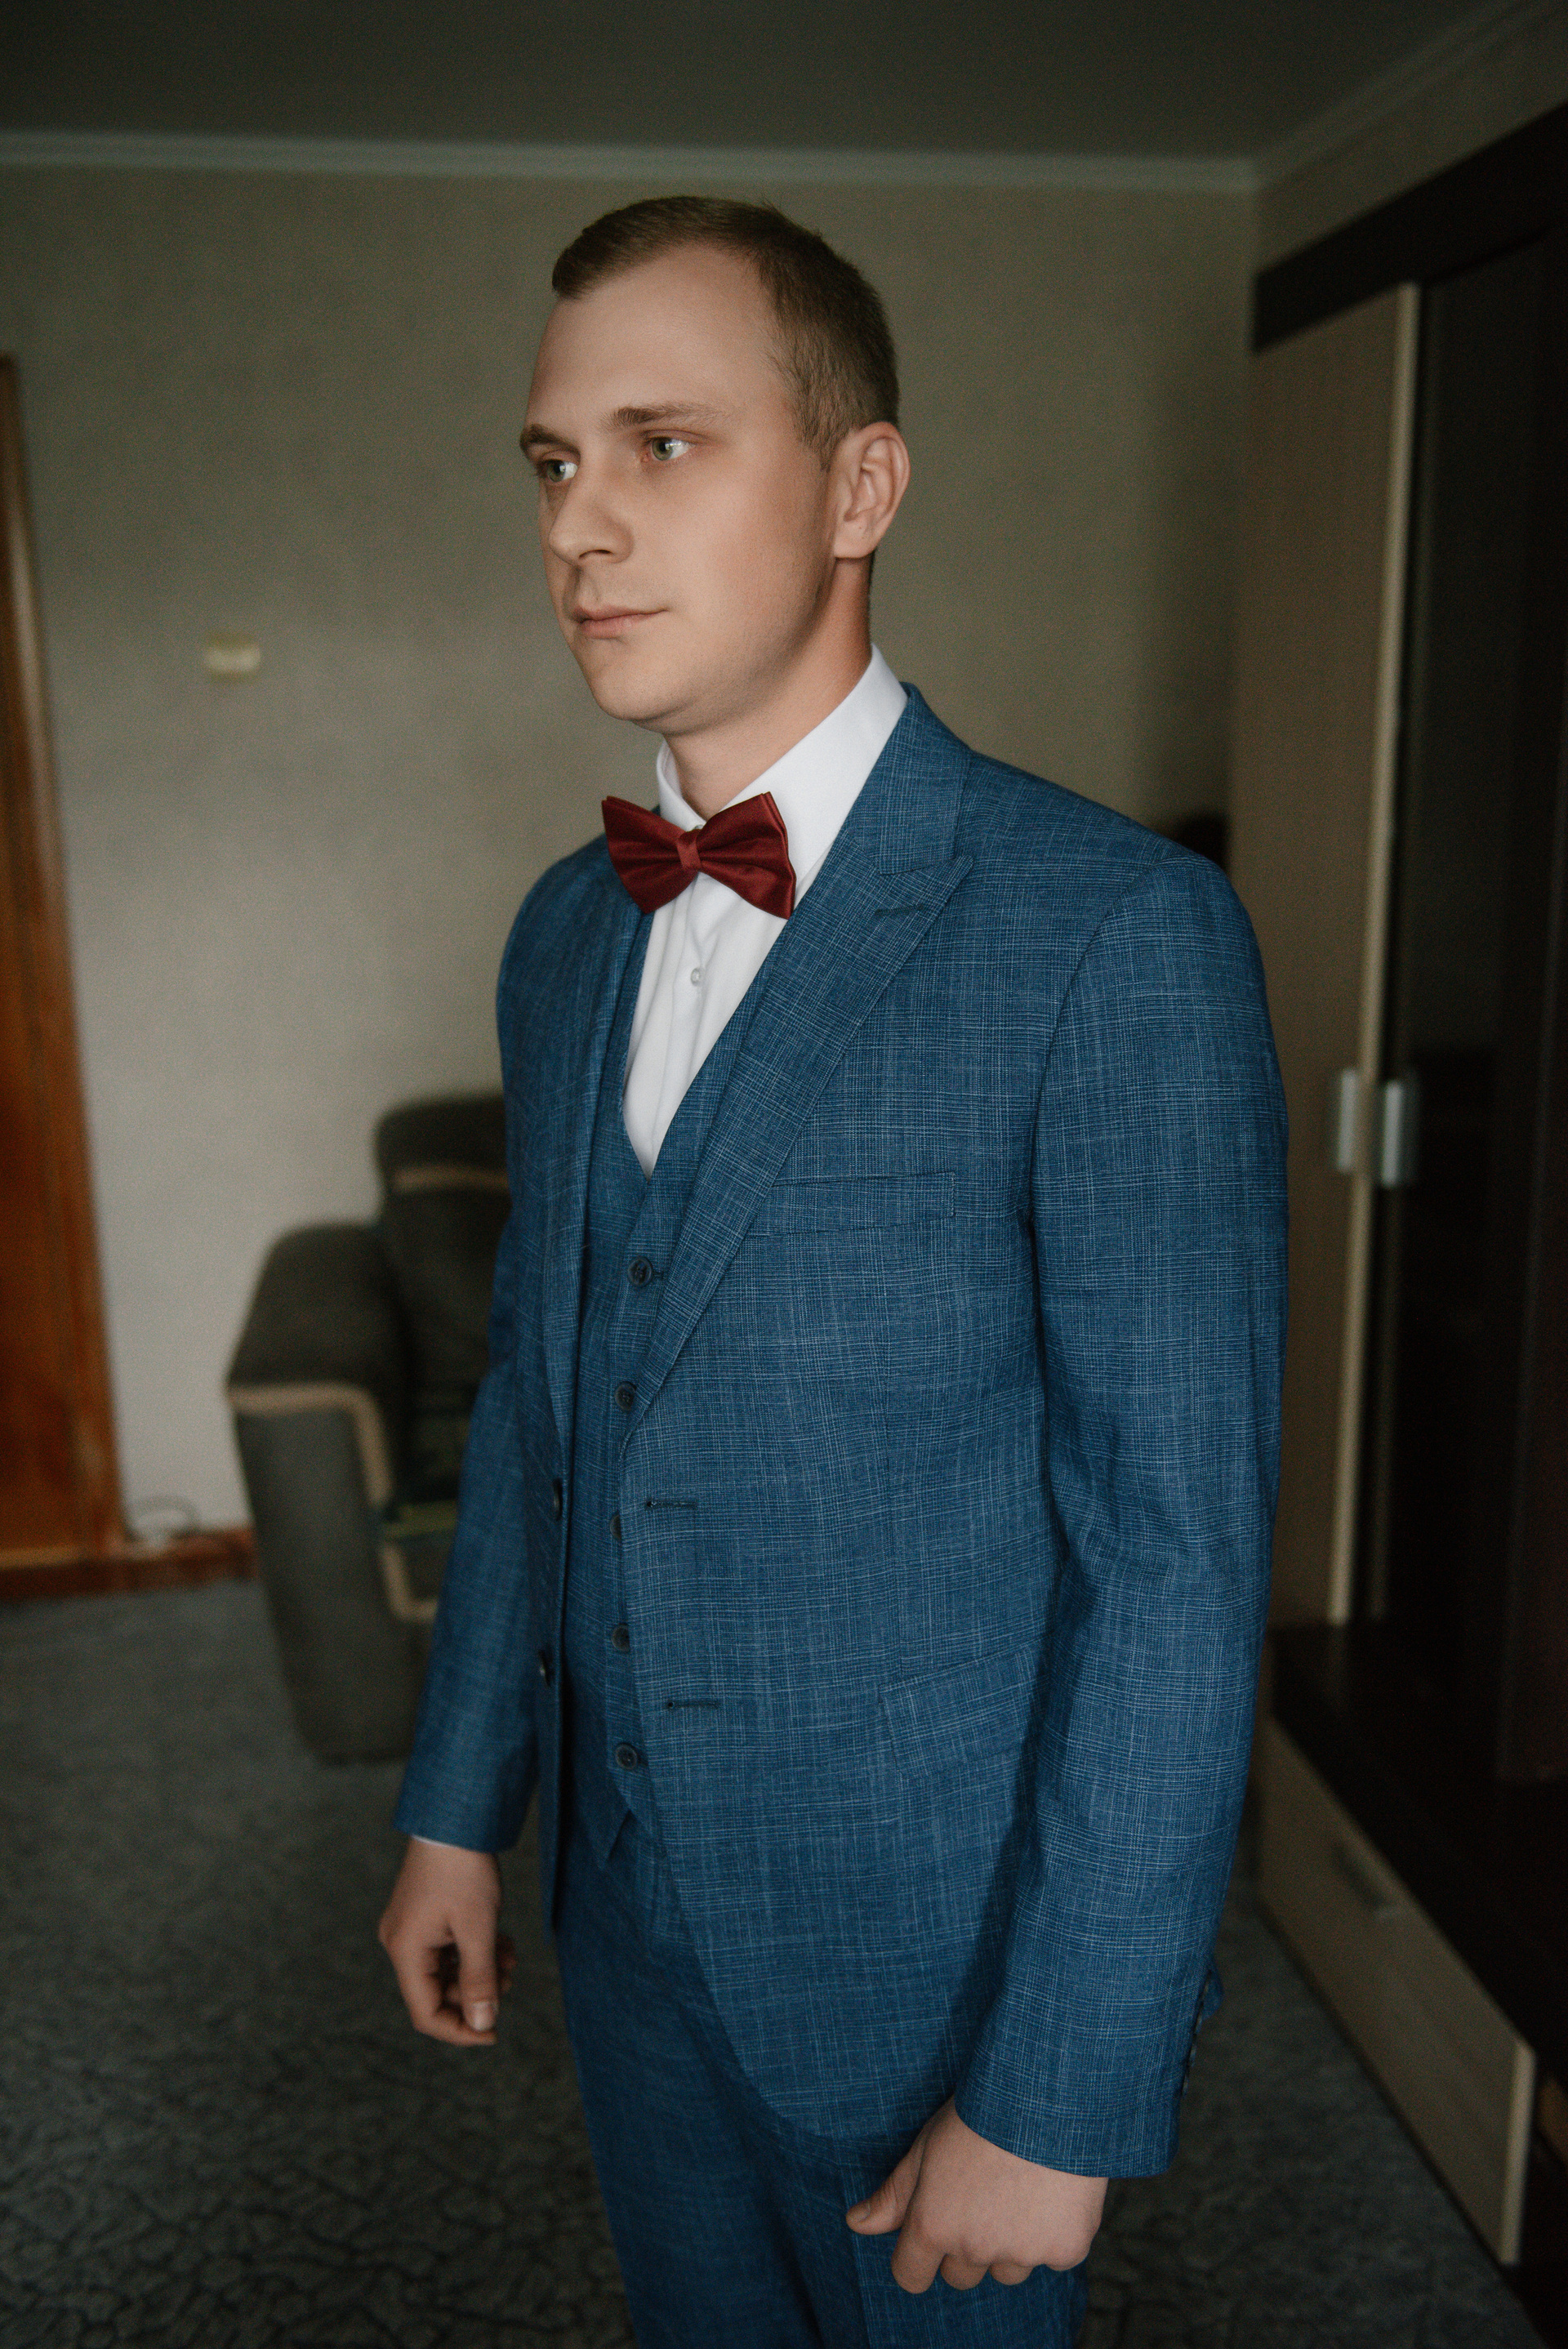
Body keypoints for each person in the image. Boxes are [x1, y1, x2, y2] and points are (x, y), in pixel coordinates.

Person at [378, 196, 1287, 2348]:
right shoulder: (563, 933)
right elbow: (533, 1397)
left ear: (862, 485)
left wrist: (1057, 2089)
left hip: (937, 1991)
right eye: (553, 460)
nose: (580, 523)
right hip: (625, 1942)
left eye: (664, 444)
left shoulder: (1114, 937)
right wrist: (455, 1809)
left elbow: (1175, 1562)